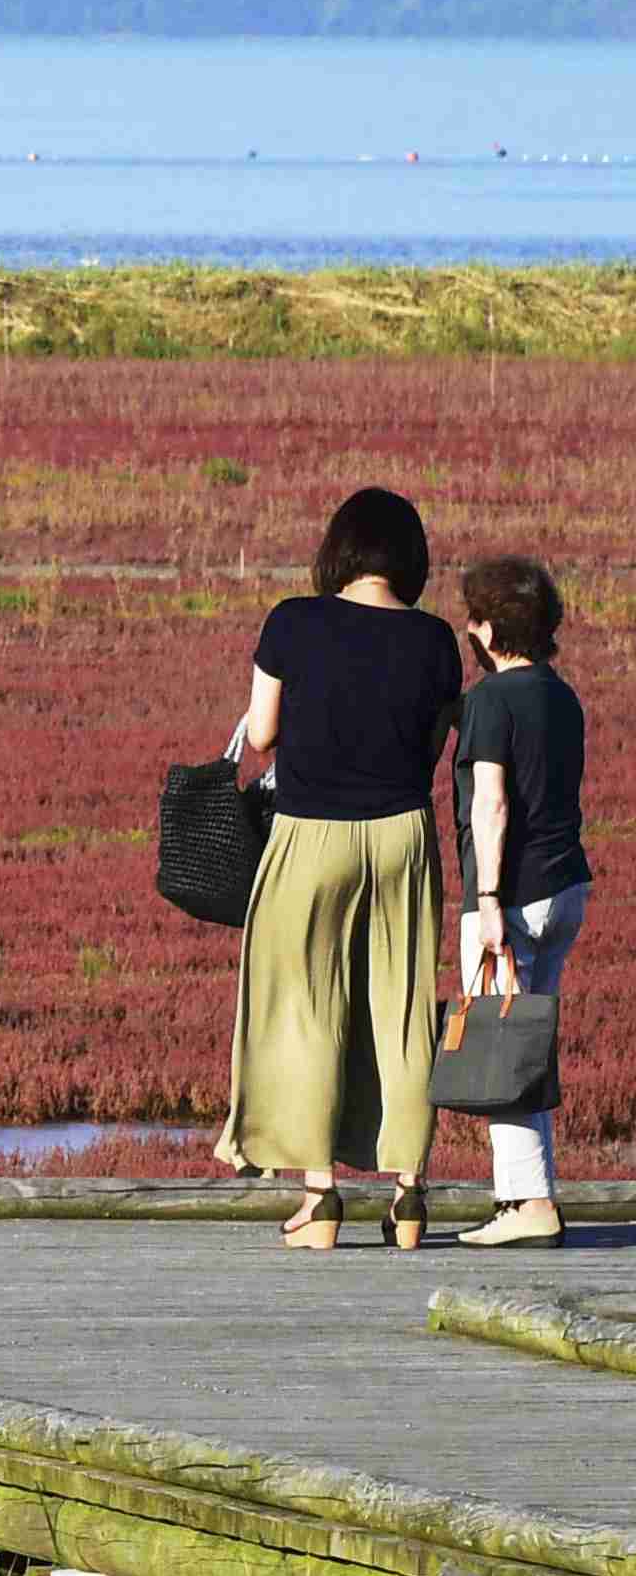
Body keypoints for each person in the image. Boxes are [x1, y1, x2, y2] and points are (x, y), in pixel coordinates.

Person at [221, 487, 461, 1248]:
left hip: (309, 833)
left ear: (341, 550)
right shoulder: (436, 640)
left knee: (303, 1006)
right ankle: (411, 1195)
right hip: (402, 836)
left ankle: (319, 1196)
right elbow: (431, 753)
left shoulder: (293, 620)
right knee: (402, 1006)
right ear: (410, 558)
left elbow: (260, 735)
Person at [452, 553, 589, 1246]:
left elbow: (493, 804)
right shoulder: (562, 695)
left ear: (488, 629)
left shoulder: (489, 702)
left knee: (499, 1050)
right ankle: (526, 1198)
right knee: (527, 1045)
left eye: (472, 619)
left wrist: (487, 900)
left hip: (513, 894)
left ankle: (528, 1206)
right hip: (567, 887)